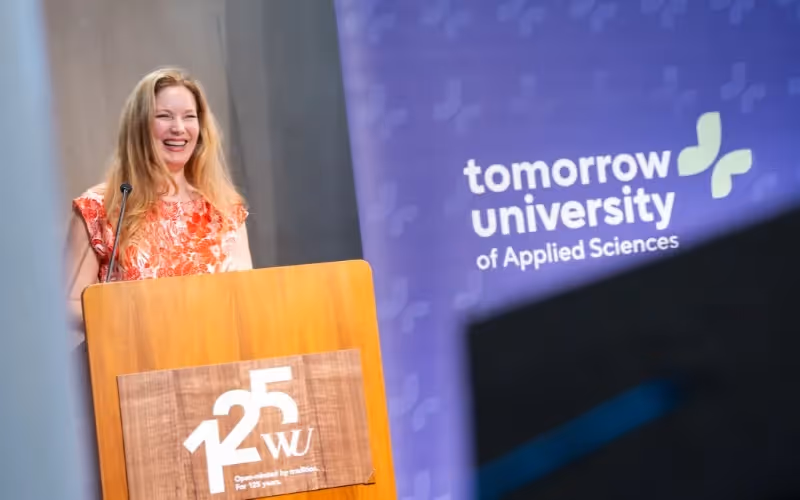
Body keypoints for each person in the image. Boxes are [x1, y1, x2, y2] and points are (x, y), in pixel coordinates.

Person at [64, 67, 252, 345]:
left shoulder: (224, 209)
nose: (179, 127)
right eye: (164, 116)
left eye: (189, 117)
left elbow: (250, 298)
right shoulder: (100, 207)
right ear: (139, 126)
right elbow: (67, 303)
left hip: (214, 362)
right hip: (129, 364)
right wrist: (133, 321)